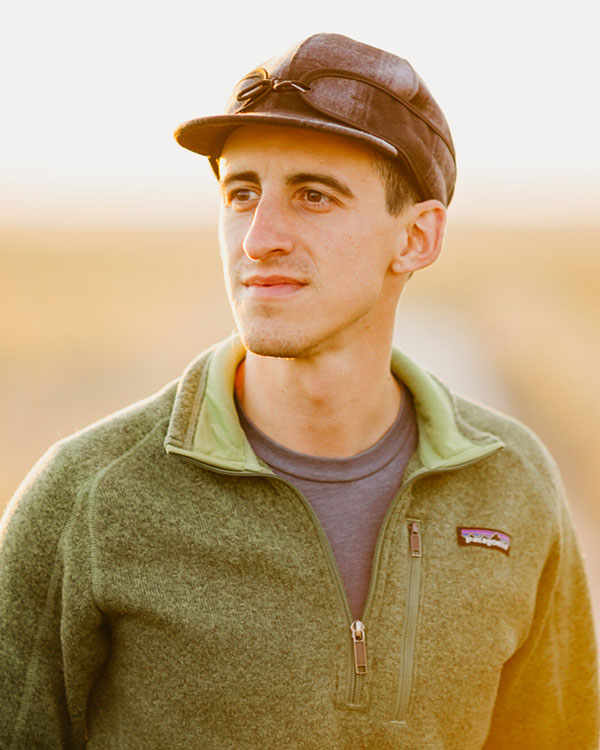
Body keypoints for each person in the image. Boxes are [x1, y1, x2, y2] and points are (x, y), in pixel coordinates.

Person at [0, 33, 597, 750]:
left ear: (417, 238)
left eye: (314, 196)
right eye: (241, 193)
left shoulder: (512, 484)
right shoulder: (89, 496)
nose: (258, 239)